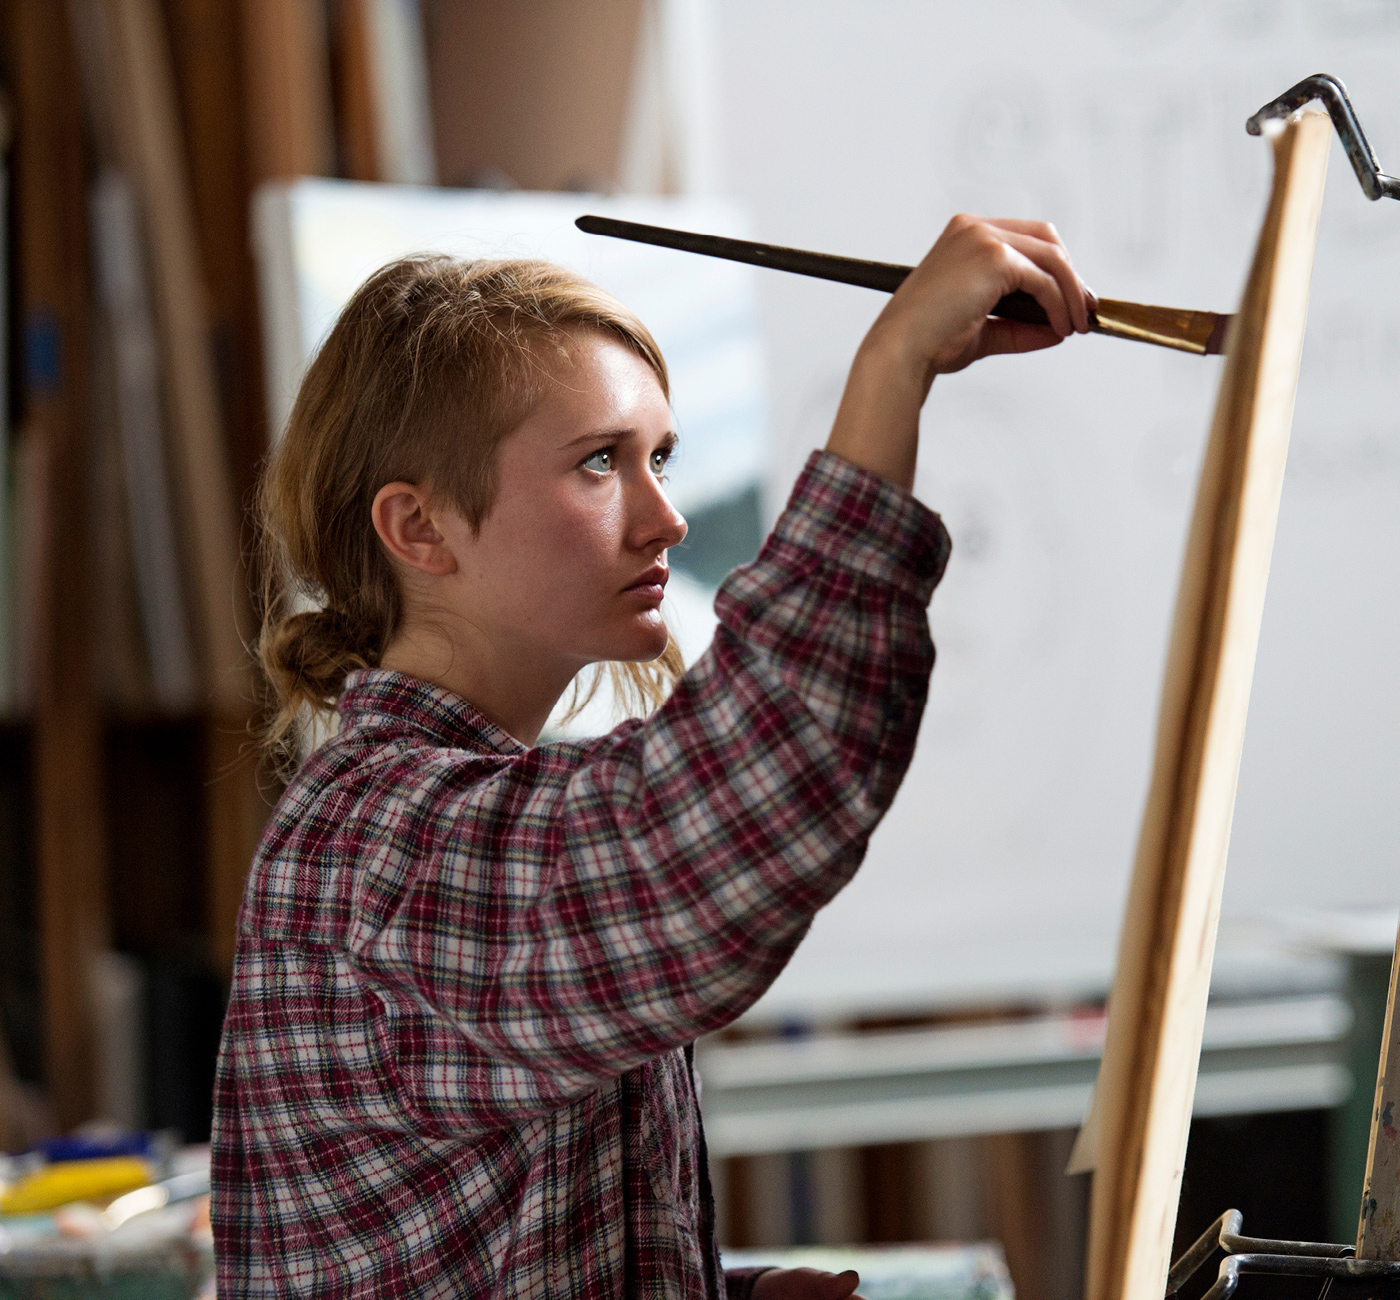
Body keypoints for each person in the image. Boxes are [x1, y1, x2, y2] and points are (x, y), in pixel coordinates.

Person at [210, 214, 1092, 1298]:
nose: (666, 518)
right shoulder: (382, 847)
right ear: (420, 529)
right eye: (598, 464)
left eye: (659, 459)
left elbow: (485, 1242)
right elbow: (721, 833)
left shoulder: (441, 806)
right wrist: (892, 364)